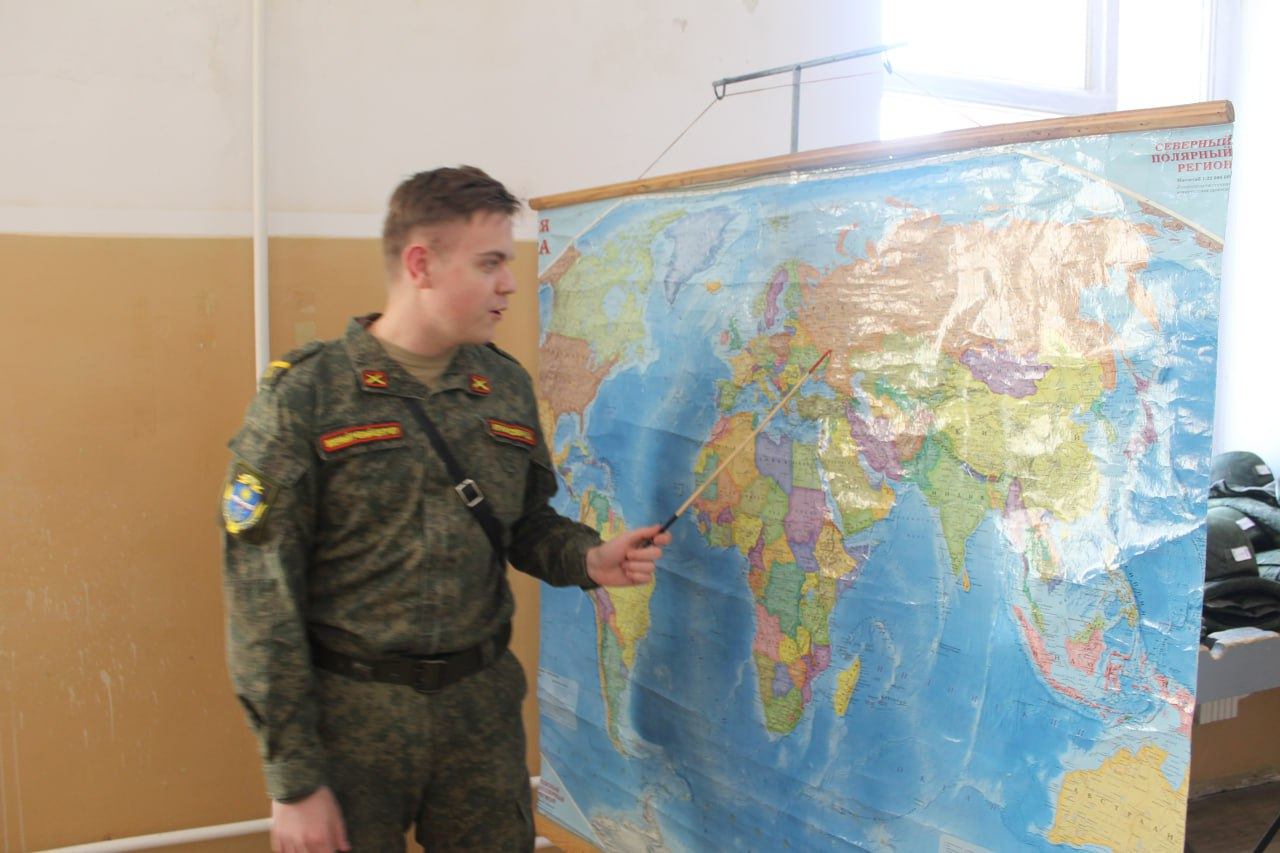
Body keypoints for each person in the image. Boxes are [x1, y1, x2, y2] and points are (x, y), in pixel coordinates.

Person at [220, 165, 670, 852]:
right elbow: (262, 601)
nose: (510, 282)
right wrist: (294, 781)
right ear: (420, 265)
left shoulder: (504, 386)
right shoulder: (307, 396)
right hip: (349, 719)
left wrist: (588, 557)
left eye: (507, 261)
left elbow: (527, 524)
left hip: (478, 714)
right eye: (490, 263)